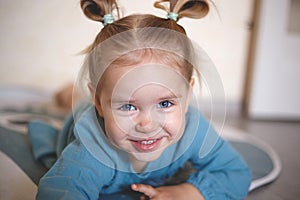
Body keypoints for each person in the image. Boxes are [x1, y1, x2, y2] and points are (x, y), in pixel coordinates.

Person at [33, 0, 251, 199]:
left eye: (165, 103)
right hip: (81, 113)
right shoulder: (93, 145)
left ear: (187, 97)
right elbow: (62, 191)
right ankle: (72, 93)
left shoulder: (194, 129)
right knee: (71, 103)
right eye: (128, 106)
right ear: (99, 103)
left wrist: (187, 192)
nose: (147, 125)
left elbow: (236, 173)